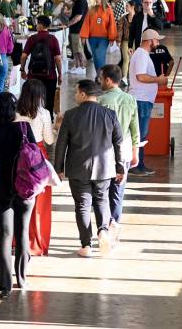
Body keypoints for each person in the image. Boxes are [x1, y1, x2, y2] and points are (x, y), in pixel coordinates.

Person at [54, 79, 125, 258]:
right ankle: (103, 231)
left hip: (78, 167)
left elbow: (61, 144)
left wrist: (58, 168)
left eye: (76, 92)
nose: (75, 95)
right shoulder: (110, 114)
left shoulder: (70, 115)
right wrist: (120, 166)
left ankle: (86, 245)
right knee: (102, 200)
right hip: (104, 168)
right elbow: (118, 142)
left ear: (84, 94)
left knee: (82, 205)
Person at [0, 92, 36, 296]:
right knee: (22, 233)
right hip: (25, 189)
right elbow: (34, 156)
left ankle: (4, 286)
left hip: (2, 188)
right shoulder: (24, 128)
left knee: (4, 235)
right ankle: (22, 279)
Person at [97, 65, 140, 244]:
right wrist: (135, 152)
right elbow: (135, 129)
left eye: (101, 78)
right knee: (117, 193)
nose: (99, 81)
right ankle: (114, 224)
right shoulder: (130, 99)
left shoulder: (99, 101)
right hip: (124, 152)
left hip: (103, 152)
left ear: (108, 80)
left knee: (102, 192)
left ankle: (103, 228)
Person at [15, 80, 57, 257]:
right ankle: (36, 242)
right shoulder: (44, 114)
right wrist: (56, 126)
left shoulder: (15, 112)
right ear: (40, 96)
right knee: (40, 202)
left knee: (18, 199)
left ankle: (17, 240)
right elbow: (49, 140)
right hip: (38, 157)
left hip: (18, 156)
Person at [128, 29, 167, 176]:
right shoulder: (142, 55)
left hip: (143, 100)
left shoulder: (142, 55)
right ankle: (136, 165)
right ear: (149, 41)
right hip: (141, 100)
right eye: (157, 40)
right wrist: (158, 79)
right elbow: (141, 77)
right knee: (140, 134)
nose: (158, 43)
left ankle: (138, 163)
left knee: (140, 134)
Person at [20, 15, 63, 119]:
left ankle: (32, 117)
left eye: (37, 23)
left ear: (40, 25)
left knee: (32, 98)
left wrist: (22, 70)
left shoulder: (32, 38)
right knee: (49, 100)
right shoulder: (53, 39)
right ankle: (49, 119)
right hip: (50, 75)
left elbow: (24, 56)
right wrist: (60, 74)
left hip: (33, 75)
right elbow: (58, 58)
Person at [79, 0, 118, 75]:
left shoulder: (108, 10)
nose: (95, 0)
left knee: (99, 54)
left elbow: (112, 24)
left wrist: (112, 37)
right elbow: (86, 23)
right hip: (92, 38)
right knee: (95, 57)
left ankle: (101, 75)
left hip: (104, 38)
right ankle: (99, 75)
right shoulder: (91, 9)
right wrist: (84, 36)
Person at [66, 0, 89, 74]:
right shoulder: (79, 1)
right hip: (75, 29)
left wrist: (68, 24)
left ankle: (82, 67)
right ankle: (77, 65)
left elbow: (78, 17)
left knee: (78, 49)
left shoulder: (81, 2)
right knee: (75, 49)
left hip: (78, 29)